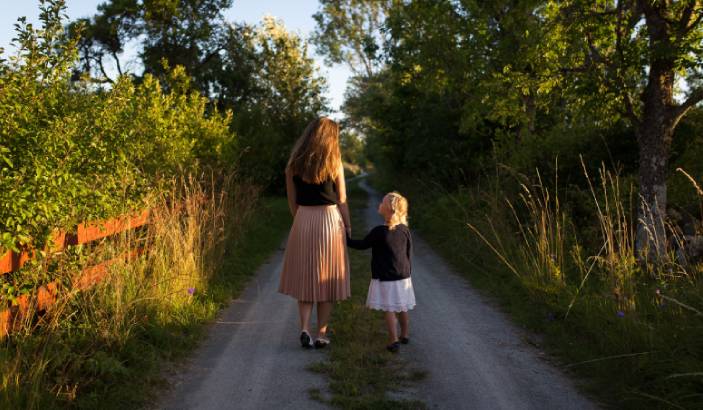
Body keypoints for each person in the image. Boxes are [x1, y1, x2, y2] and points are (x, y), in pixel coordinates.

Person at [279, 117, 351, 349]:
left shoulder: (293, 165)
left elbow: (292, 202)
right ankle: (321, 333)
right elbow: (341, 199)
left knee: (306, 278)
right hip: (330, 220)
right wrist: (348, 226)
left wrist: (301, 220)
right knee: (327, 279)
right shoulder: (334, 162)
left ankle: (304, 329)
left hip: (303, 219)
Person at [346, 192, 415, 352]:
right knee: (402, 306)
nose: (379, 204)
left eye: (382, 202)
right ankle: (404, 334)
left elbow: (362, 245)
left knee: (389, 308)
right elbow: (408, 252)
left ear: (389, 210)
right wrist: (407, 272)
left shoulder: (379, 231)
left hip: (385, 276)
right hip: (403, 276)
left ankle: (393, 340)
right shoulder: (405, 230)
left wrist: (346, 239)